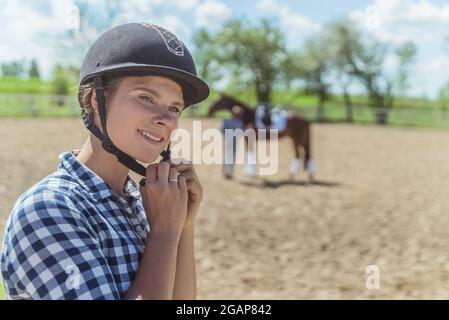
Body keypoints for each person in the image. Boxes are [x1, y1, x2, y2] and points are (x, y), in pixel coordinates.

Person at [0, 22, 209, 300]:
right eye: (146, 97)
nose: (167, 119)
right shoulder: (48, 210)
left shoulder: (137, 201)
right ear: (96, 100)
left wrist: (183, 226)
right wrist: (164, 232)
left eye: (175, 108)